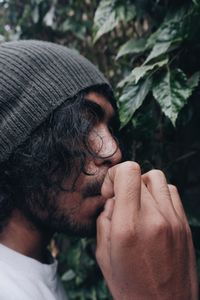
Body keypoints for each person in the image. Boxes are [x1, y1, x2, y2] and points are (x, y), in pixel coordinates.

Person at [0, 40, 198, 300]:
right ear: (19, 141)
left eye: (110, 128)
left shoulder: (35, 275)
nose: (113, 152)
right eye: (81, 125)